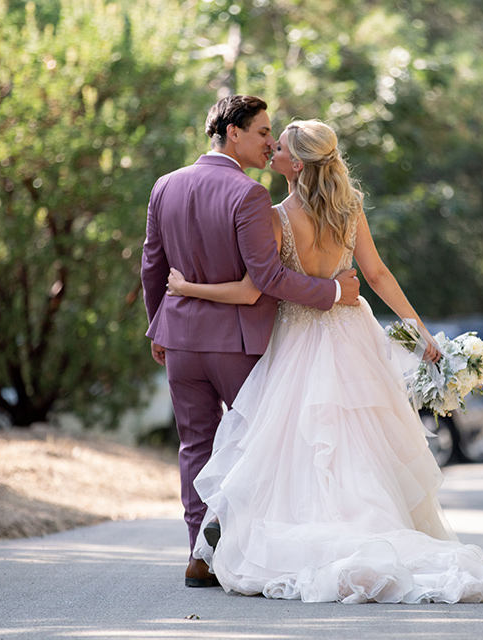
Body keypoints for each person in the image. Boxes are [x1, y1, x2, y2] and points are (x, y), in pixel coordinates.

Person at [165, 119, 483, 604]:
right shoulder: (349, 207)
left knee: (297, 441)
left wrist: (186, 288)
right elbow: (379, 274)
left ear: (296, 164)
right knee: (358, 439)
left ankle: (318, 533)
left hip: (299, 335)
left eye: (278, 146)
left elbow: (255, 288)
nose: (271, 150)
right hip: (352, 333)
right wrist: (418, 329)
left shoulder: (278, 215)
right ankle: (367, 525)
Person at [141, 96, 361, 588]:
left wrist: (157, 324)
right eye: (263, 132)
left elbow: (152, 264)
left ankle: (199, 553)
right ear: (232, 133)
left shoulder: (165, 185)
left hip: (179, 340)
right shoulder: (249, 195)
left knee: (196, 445)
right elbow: (268, 278)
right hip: (236, 343)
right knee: (257, 446)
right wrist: (332, 291)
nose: (269, 141)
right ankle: (240, 549)